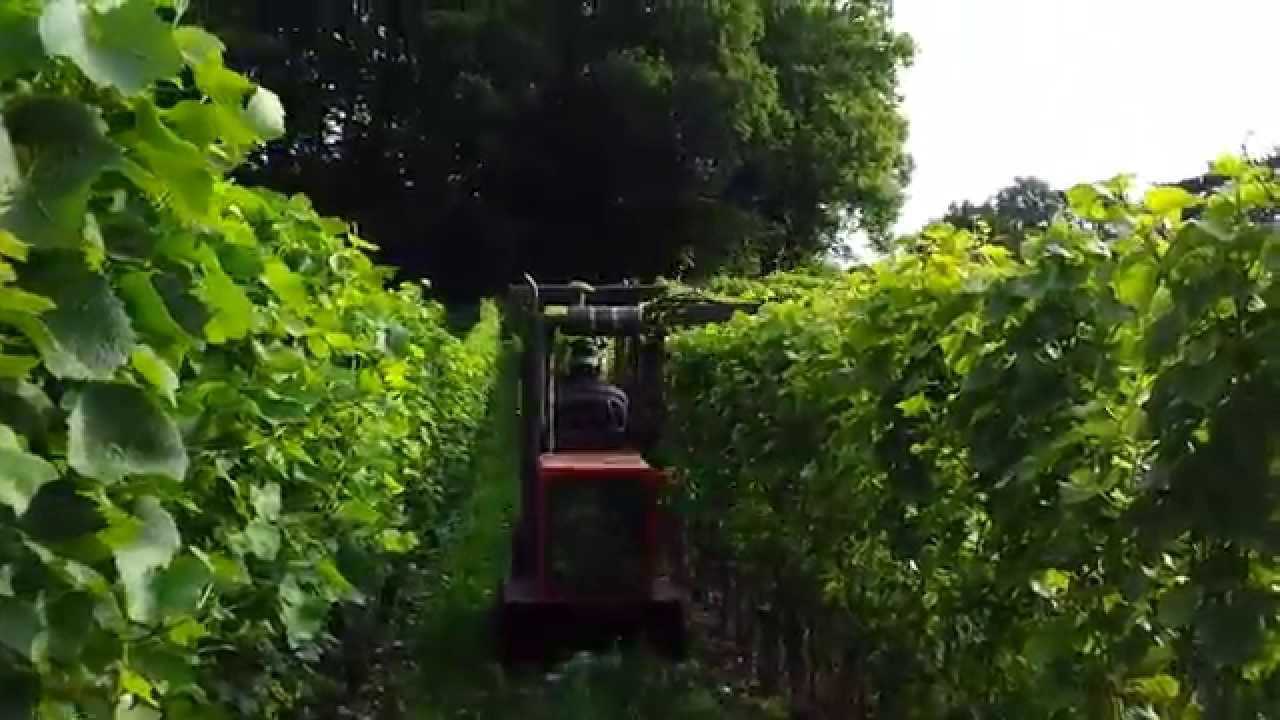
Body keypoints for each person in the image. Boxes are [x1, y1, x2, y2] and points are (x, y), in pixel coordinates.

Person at [554, 342, 629, 451]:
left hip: (561, 460)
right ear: (598, 368)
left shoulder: (555, 396)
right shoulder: (617, 397)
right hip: (609, 461)